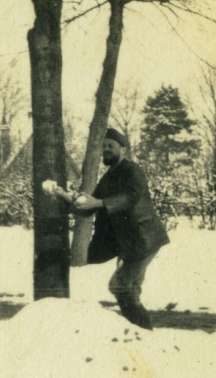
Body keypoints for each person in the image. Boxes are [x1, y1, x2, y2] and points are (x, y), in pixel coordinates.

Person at [67, 128, 169, 330]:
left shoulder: (133, 171)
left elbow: (130, 197)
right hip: (129, 244)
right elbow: (92, 205)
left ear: (122, 149)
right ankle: (142, 333)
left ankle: (144, 333)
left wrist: (98, 203)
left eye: (110, 146)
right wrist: (66, 199)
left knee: (120, 286)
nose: (106, 150)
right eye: (104, 146)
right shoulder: (108, 178)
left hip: (143, 240)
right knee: (129, 289)